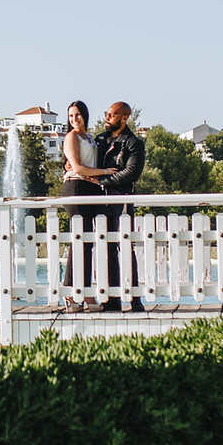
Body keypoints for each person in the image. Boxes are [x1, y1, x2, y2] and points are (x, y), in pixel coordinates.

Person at [69, 102, 148, 306]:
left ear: (124, 118)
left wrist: (103, 181)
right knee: (105, 246)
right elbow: (86, 160)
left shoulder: (133, 143)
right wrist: (68, 165)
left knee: (124, 245)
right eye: (106, 114)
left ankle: (135, 298)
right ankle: (111, 299)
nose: (107, 118)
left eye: (111, 115)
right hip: (99, 199)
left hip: (120, 197)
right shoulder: (101, 139)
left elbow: (131, 173)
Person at [58, 101, 103, 296]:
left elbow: (88, 164)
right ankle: (71, 291)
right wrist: (105, 171)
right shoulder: (71, 137)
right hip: (76, 187)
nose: (74, 119)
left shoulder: (91, 138)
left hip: (91, 188)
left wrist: (95, 175)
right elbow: (77, 168)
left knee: (88, 241)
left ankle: (83, 291)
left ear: (85, 115)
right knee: (79, 240)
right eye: (70, 116)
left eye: (77, 115)